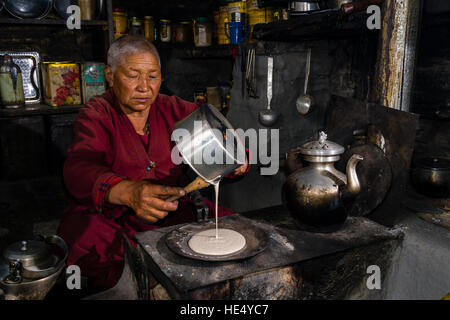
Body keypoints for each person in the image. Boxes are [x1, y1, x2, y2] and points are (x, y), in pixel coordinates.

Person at [57, 35, 248, 291]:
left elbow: (220, 134)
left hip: (170, 209)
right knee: (93, 248)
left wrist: (238, 157)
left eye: (153, 76)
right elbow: (79, 168)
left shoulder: (173, 109)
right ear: (110, 76)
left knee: (235, 230)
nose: (144, 87)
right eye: (133, 75)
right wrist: (128, 192)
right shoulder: (96, 115)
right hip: (114, 217)